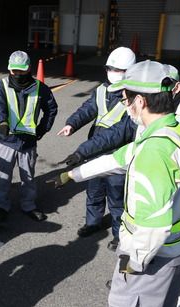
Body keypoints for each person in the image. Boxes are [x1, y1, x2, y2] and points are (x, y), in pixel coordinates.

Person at [49, 60, 180, 307]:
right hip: (177, 247)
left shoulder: (155, 151)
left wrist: (134, 263)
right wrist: (73, 175)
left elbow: (156, 225)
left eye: (126, 99)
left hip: (152, 258)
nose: (125, 105)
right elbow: (117, 159)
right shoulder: (174, 133)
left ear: (140, 102)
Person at [60, 64, 180, 189]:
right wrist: (80, 155)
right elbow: (113, 140)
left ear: (141, 101)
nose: (127, 105)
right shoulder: (141, 119)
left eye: (129, 99)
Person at [57, 47, 135, 250]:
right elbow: (88, 108)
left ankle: (119, 235)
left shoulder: (133, 99)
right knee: (94, 191)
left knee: (117, 199)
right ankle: (93, 223)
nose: (112, 72)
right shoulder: (102, 90)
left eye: (118, 69)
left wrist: (82, 151)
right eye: (110, 68)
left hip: (117, 156)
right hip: (94, 152)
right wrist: (71, 124)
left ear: (129, 72)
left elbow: (117, 134)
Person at [0, 50, 58, 223]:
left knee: (28, 177)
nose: (17, 74)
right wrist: (2, 122)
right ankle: (1, 207)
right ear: (9, 69)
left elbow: (51, 109)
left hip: (28, 142)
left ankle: (28, 205)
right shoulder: (1, 86)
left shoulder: (40, 88)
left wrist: (43, 129)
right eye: (14, 71)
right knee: (3, 177)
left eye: (21, 71)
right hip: (7, 140)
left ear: (29, 69)